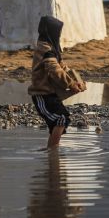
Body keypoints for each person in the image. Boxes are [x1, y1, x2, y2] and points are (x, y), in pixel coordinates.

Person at [27, 16, 85, 148]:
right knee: (61, 119)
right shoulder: (45, 49)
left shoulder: (51, 48)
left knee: (59, 122)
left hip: (51, 94)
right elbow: (54, 68)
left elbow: (62, 67)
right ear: (52, 32)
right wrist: (70, 84)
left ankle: (52, 153)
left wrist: (76, 81)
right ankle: (52, 153)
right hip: (42, 95)